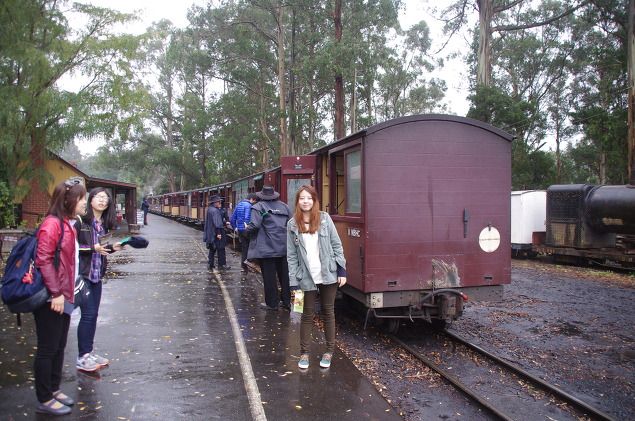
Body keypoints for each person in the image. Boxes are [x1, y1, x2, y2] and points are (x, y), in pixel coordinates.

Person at [33, 179, 87, 415]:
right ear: (69, 201)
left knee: (59, 345)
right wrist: (55, 293)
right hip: (51, 298)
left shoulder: (67, 224)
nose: (84, 203)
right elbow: (43, 260)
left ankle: (54, 389)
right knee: (47, 348)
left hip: (64, 295)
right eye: (82, 199)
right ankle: (44, 398)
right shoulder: (52, 224)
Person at [286, 185, 347, 370]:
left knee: (328, 312)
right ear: (297, 201)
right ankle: (304, 353)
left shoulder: (325, 218)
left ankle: (329, 351)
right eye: (302, 198)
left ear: (314, 200)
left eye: (309, 198)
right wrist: (293, 282)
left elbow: (337, 245)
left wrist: (342, 270)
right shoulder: (292, 224)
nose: (305, 201)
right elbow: (291, 256)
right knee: (306, 314)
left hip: (328, 273)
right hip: (305, 276)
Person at [75, 188, 122, 372]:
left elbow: (100, 249)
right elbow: (72, 247)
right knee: (88, 315)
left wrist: (113, 248)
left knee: (93, 315)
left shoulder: (103, 224)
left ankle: (89, 352)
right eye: (99, 197)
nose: (103, 201)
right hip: (83, 275)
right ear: (91, 200)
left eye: (106, 198)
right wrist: (92, 248)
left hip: (96, 275)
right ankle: (82, 357)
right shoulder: (81, 222)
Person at [246, 185, 291, 310]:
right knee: (284, 276)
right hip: (284, 247)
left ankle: (272, 304)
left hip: (267, 248)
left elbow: (254, 225)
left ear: (261, 196)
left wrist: (245, 230)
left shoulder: (258, 207)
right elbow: (291, 223)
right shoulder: (285, 206)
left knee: (269, 277)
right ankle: (286, 302)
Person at [230, 193, 258, 274]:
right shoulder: (249, 206)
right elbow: (247, 217)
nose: (254, 203)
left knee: (244, 248)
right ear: (252, 199)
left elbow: (232, 218)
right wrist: (247, 226)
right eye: (254, 201)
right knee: (251, 247)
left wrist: (235, 227)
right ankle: (249, 264)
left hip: (240, 230)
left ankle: (244, 268)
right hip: (247, 230)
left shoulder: (239, 205)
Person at [203, 195, 230, 270]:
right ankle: (222, 265)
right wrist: (219, 233)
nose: (220, 203)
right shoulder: (215, 211)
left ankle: (210, 264)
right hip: (216, 231)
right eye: (219, 202)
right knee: (221, 248)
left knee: (212, 248)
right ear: (215, 202)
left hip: (211, 232)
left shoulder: (210, 209)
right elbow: (217, 223)